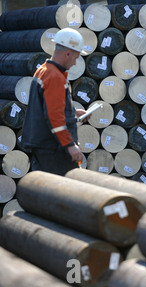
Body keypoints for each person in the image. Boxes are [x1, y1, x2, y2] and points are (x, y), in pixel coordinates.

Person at [21, 28, 90, 176]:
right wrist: (70, 145)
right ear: (67, 53)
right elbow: (54, 116)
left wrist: (73, 113)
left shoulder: (44, 70)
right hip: (53, 150)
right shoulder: (55, 77)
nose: (75, 63)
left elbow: (46, 107)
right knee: (63, 192)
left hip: (43, 147)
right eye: (76, 57)